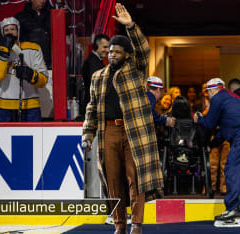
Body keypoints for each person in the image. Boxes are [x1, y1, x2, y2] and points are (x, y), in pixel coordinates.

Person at [82, 4, 163, 234]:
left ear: (126, 54)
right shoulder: (98, 76)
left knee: (135, 180)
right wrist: (88, 133)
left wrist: (130, 26)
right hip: (108, 132)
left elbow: (143, 50)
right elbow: (91, 107)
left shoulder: (135, 69)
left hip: (133, 131)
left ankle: (136, 224)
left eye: (117, 51)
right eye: (110, 52)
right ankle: (119, 224)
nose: (112, 55)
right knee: (113, 181)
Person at [194, 78, 240, 227]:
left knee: (232, 169)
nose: (208, 95)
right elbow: (224, 132)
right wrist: (212, 145)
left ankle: (233, 208)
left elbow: (209, 124)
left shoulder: (218, 98)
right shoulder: (233, 98)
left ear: (213, 90)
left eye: (208, 92)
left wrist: (198, 118)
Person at [0, 17, 48, 122]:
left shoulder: (33, 49)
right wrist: (3, 53)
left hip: (30, 105)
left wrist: (31, 75)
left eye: (13, 29)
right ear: (2, 33)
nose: (10, 33)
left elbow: (43, 80)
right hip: (4, 105)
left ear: (18, 31)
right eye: (6, 30)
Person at [15, 0, 51, 68]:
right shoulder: (20, 17)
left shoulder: (52, 16)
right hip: (28, 60)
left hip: (48, 61)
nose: (43, 1)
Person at [81, 34, 110, 118]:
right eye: (104, 47)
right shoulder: (93, 62)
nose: (107, 50)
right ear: (96, 46)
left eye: (108, 47)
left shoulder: (95, 60)